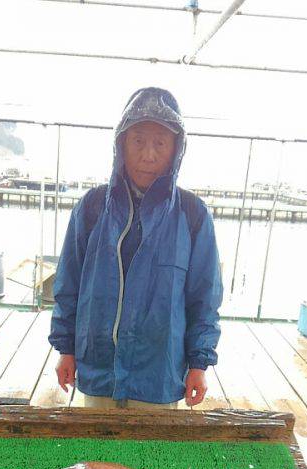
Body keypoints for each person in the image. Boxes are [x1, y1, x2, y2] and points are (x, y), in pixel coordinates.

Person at [49, 86, 223, 409]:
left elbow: (204, 298)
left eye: (160, 143)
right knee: (96, 459)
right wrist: (66, 349)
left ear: (176, 150)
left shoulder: (193, 214)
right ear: (121, 145)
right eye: (138, 140)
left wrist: (199, 364)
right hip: (99, 376)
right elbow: (68, 285)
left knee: (153, 460)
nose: (148, 155)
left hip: (158, 380)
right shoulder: (90, 208)